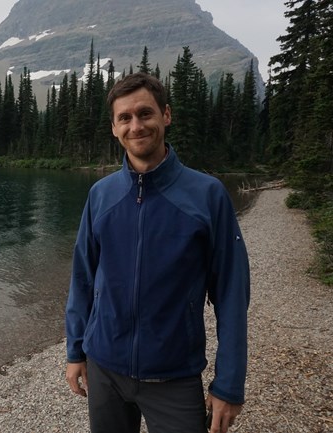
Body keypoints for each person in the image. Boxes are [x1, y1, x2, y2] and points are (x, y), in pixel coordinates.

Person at [64, 73, 250, 433]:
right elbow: (83, 278)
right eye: (125, 118)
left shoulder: (207, 195)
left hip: (175, 375)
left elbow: (231, 294)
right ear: (114, 128)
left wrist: (229, 383)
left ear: (166, 115)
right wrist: (75, 351)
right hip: (104, 368)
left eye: (145, 114)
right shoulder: (101, 195)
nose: (136, 125)